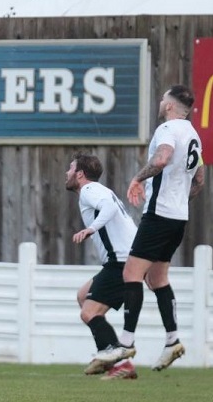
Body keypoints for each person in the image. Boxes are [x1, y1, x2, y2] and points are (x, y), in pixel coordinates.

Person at [97, 85, 205, 371]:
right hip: (178, 218)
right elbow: (200, 180)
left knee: (131, 273)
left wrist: (136, 179)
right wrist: (179, 200)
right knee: (157, 279)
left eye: (162, 99)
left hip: (158, 217)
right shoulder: (194, 135)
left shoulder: (168, 129)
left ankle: (126, 342)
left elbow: (162, 158)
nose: (159, 102)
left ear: (170, 106)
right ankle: (172, 341)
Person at [65, 152, 138, 380]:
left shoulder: (90, 190)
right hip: (124, 260)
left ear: (80, 174)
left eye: (70, 169)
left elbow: (109, 207)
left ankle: (119, 361)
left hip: (121, 262)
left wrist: (91, 228)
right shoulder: (99, 190)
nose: (66, 173)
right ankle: (109, 359)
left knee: (88, 312)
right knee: (83, 295)